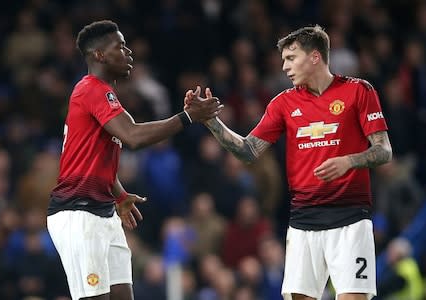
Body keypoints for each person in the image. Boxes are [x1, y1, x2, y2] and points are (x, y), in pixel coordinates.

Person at [186, 25, 392, 300]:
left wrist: (349, 161)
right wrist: (210, 121)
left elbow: (384, 150)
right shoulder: (283, 103)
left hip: (350, 220)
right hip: (303, 222)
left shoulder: (359, 92)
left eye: (291, 58)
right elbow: (248, 150)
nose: (284, 66)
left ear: (315, 57)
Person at [46, 20, 222, 300]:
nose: (128, 52)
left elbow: (95, 160)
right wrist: (187, 117)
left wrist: (119, 194)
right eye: (120, 46)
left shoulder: (104, 95)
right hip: (78, 213)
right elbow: (133, 137)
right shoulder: (91, 89)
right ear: (99, 55)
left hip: (103, 211)